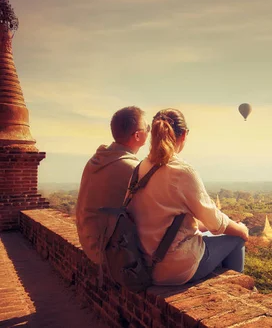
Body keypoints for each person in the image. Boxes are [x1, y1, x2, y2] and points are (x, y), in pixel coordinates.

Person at [127, 108, 248, 286]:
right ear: (184, 135)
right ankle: (238, 293)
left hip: (142, 262)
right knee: (236, 240)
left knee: (209, 235)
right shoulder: (182, 171)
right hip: (172, 268)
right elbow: (216, 222)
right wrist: (241, 230)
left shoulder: (140, 168)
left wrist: (201, 226)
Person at [75, 106, 150, 264]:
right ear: (137, 135)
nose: (149, 131)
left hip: (90, 244)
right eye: (147, 128)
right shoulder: (131, 168)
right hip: (109, 251)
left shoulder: (97, 160)